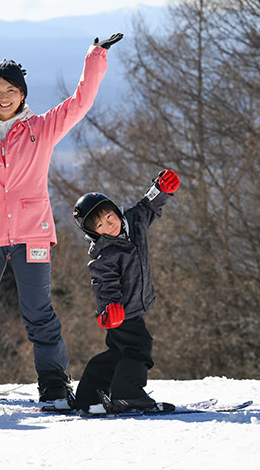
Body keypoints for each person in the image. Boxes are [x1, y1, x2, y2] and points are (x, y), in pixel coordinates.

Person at [0, 33, 123, 403]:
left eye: (11, 89)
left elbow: (80, 102)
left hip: (33, 235)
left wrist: (96, 56)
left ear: (23, 95)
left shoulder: (41, 129)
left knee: (39, 312)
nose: (4, 96)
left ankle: (54, 381)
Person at [71, 169, 179, 413]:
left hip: (134, 307)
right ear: (93, 233)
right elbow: (104, 284)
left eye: (109, 217)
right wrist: (109, 307)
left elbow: (149, 205)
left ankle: (90, 393)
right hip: (121, 312)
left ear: (115, 211)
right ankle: (127, 393)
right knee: (139, 348)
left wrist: (162, 188)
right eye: (100, 225)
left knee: (119, 353)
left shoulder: (134, 221)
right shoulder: (104, 255)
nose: (109, 225)